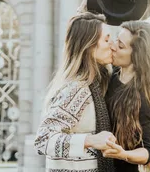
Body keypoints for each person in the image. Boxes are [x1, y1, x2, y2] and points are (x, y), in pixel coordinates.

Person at [34, 12, 116, 172]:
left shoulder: (96, 84)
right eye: (107, 40)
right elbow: (43, 139)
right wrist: (91, 140)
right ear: (89, 46)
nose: (113, 45)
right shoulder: (77, 88)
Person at [102, 20, 150, 172]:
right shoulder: (108, 73)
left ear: (137, 56)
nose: (113, 46)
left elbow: (146, 152)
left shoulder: (143, 97)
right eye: (116, 40)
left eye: (121, 45)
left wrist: (123, 154)